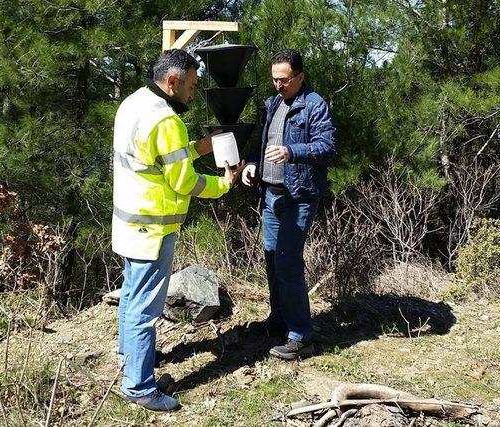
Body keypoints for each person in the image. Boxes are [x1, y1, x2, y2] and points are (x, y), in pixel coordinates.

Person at [112, 49, 244, 411]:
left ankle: (129, 362)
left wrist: (198, 148)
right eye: (191, 86)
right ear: (172, 81)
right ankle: (139, 387)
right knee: (144, 308)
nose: (193, 92)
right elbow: (184, 182)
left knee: (130, 295)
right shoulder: (167, 121)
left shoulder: (134, 103)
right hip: (152, 228)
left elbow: (157, 156)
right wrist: (224, 185)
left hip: (129, 222)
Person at [242, 49, 336, 360]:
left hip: (299, 196)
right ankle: (279, 319)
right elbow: (264, 144)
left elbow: (326, 146)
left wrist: (291, 152)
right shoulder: (273, 104)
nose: (278, 85)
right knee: (271, 259)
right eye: (274, 80)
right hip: (271, 195)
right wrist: (254, 165)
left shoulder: (314, 105)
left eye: (284, 80)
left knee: (288, 264)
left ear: (300, 77)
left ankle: (301, 337)